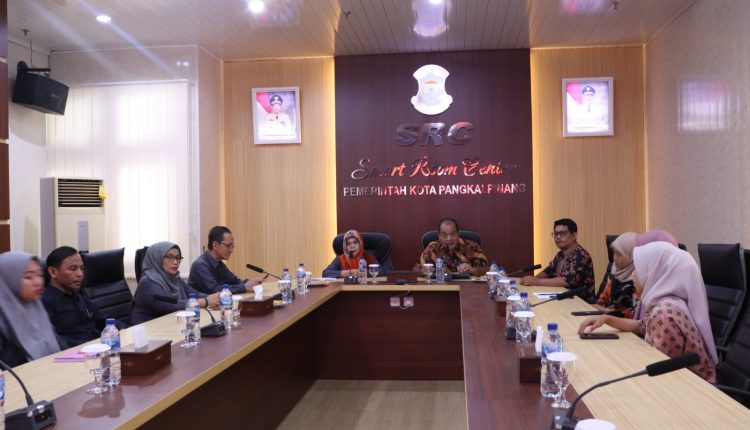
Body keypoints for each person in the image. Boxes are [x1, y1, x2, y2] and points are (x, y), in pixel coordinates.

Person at [578, 241, 717, 382]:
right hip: (679, 381)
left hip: (693, 388)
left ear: (653, 273)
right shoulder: (666, 304)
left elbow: (659, 374)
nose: (632, 275)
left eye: (637, 269)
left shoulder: (664, 315)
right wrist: (606, 319)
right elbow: (642, 326)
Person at [42, 246, 125, 349]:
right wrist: (89, 346)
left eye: (82, 269)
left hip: (98, 349)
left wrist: (126, 330)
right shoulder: (45, 301)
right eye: (73, 269)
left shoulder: (77, 296)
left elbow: (103, 318)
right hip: (76, 353)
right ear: (53, 272)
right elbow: (53, 340)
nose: (80, 274)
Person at [131, 242, 219, 325]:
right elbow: (168, 306)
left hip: (168, 324)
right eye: (170, 257)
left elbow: (193, 293)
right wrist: (205, 302)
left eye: (178, 258)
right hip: (146, 329)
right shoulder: (148, 282)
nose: (175, 262)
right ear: (157, 258)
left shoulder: (175, 278)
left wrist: (216, 297)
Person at [0, 252, 60, 367]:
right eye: (28, 277)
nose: (38, 282)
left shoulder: (36, 306)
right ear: (9, 279)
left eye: (40, 275)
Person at [521, 218, 596, 303]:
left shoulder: (581, 256)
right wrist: (532, 279)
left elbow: (565, 281)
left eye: (562, 233)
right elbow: (548, 272)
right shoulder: (560, 255)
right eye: (556, 234)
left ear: (574, 236)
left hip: (581, 304)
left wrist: (536, 281)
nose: (558, 237)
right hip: (564, 300)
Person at [188, 226, 264, 295]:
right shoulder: (200, 265)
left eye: (232, 246)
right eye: (228, 246)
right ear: (215, 245)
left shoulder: (219, 263)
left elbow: (234, 281)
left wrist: (251, 282)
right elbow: (214, 290)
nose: (231, 250)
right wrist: (244, 287)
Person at [419, 218, 488, 276]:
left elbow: (488, 270)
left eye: (452, 234)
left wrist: (472, 269)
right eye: (444, 235)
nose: (448, 238)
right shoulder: (432, 248)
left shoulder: (471, 246)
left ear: (458, 234)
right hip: (439, 285)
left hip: (466, 286)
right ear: (439, 236)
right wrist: (428, 270)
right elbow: (416, 269)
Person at [592, 233, 638, 318]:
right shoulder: (615, 273)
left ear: (632, 255)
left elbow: (634, 315)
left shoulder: (638, 280)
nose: (614, 258)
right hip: (607, 321)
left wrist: (606, 311)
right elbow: (600, 303)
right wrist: (602, 308)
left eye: (619, 254)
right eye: (614, 253)